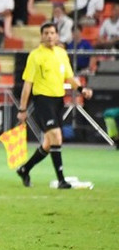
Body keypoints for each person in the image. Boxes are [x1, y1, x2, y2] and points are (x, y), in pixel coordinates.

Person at [16, 22, 93, 189]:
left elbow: (70, 77)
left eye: (52, 33)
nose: (50, 36)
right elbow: (27, 84)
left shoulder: (61, 53)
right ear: (41, 36)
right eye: (46, 33)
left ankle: (24, 169)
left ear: (57, 35)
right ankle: (61, 180)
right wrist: (22, 109)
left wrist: (81, 89)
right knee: (57, 137)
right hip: (43, 100)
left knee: (49, 144)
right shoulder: (35, 56)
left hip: (58, 101)